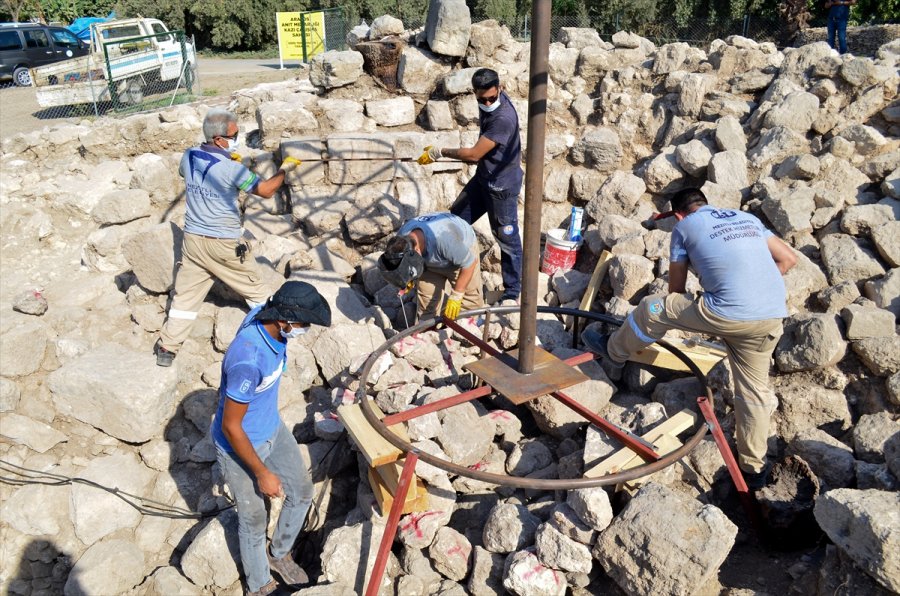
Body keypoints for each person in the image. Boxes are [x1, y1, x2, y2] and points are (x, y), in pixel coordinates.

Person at [582, 188, 797, 490]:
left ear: (679, 214)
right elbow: (788, 260)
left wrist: (725, 299)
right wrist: (749, 288)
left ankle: (614, 351)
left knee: (653, 309)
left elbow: (676, 290)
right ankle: (754, 467)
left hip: (725, 314)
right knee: (754, 392)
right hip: (771, 316)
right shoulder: (747, 219)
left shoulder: (683, 228)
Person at [211, 280, 331, 596]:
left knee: (302, 492)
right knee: (253, 519)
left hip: (271, 429)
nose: (305, 329)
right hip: (239, 445)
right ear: (283, 320)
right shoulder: (248, 359)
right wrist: (262, 473)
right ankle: (259, 585)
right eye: (303, 323)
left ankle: (278, 555)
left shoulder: (265, 317)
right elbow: (231, 427)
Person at [155, 108, 302, 367]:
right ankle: (274, 340)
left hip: (193, 241)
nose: (237, 138)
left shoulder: (189, 155)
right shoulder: (231, 169)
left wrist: (223, 161)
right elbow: (266, 191)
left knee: (185, 298)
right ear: (220, 139)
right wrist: (283, 170)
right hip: (223, 243)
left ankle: (167, 347)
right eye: (234, 135)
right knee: (257, 292)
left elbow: (189, 173)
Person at [417, 67, 523, 304]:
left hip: (502, 187)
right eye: (482, 98)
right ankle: (446, 267)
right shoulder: (488, 100)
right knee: (455, 220)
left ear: (501, 89)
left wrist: (440, 151)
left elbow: (474, 154)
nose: (487, 102)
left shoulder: (503, 118)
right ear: (474, 93)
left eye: (492, 98)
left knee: (506, 239)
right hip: (485, 178)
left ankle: (513, 291)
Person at [377, 212, 484, 320]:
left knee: (470, 300)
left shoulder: (445, 239)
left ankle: (467, 328)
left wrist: (457, 294)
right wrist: (408, 278)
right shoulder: (401, 239)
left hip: (460, 256)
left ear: (417, 251)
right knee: (426, 306)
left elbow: (469, 264)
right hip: (428, 262)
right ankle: (426, 333)